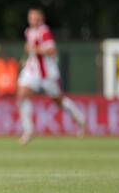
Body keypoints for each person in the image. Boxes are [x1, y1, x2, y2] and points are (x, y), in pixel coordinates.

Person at [17, 8, 85, 146]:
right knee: (21, 95)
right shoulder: (28, 32)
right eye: (30, 18)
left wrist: (34, 50)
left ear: (41, 19)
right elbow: (30, 50)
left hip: (47, 74)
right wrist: (27, 57)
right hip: (32, 72)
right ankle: (29, 130)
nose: (32, 21)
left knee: (58, 101)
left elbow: (52, 51)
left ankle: (80, 119)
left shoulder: (45, 32)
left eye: (35, 18)